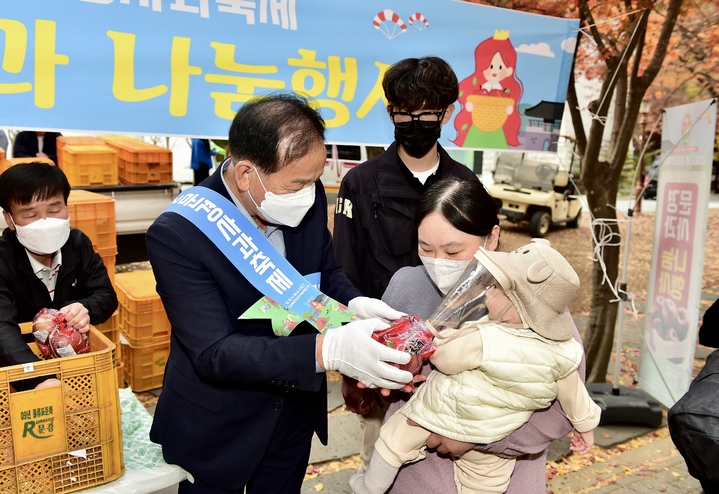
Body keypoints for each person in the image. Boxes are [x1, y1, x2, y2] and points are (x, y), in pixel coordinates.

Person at [145, 92, 416, 494]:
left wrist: (354, 304)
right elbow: (213, 352)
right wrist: (328, 351)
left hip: (293, 415)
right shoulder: (179, 233)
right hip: (219, 424)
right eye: (298, 184)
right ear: (245, 175)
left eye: (315, 180)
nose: (310, 194)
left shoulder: (298, 197)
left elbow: (324, 272)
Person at [373, 177, 590, 494]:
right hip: (413, 480)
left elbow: (562, 413)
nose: (438, 262)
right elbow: (380, 376)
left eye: (453, 250)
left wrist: (477, 436)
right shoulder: (406, 287)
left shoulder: (534, 303)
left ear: (491, 238)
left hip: (506, 481)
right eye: (426, 248)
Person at [333, 56, 479, 473]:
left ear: (448, 112)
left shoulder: (465, 184)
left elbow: (482, 275)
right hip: (383, 353)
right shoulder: (360, 182)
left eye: (427, 114)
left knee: (450, 465)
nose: (415, 123)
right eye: (403, 114)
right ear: (390, 112)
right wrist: (350, 362)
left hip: (453, 354)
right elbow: (343, 271)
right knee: (380, 461)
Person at [0, 162, 118, 390]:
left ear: (66, 207)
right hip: (18, 369)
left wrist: (85, 308)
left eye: (54, 211)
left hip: (75, 361)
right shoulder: (3, 259)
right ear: (10, 220)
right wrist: (37, 378)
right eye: (31, 214)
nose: (45, 222)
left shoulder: (77, 244)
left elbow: (105, 295)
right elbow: (2, 326)